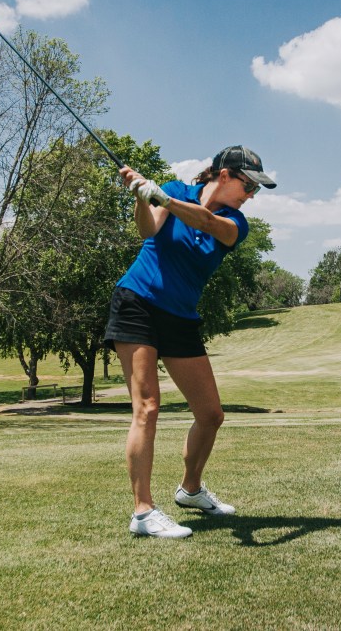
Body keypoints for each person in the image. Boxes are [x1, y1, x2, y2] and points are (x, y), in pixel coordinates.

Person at [106, 145, 277, 539]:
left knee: (211, 414)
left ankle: (191, 489)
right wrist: (142, 196)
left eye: (256, 191)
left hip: (180, 316)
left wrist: (161, 197)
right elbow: (148, 230)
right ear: (224, 174)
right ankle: (143, 512)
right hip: (137, 302)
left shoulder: (234, 221)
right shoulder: (174, 190)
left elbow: (208, 224)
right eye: (248, 185)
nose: (251, 196)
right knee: (147, 407)